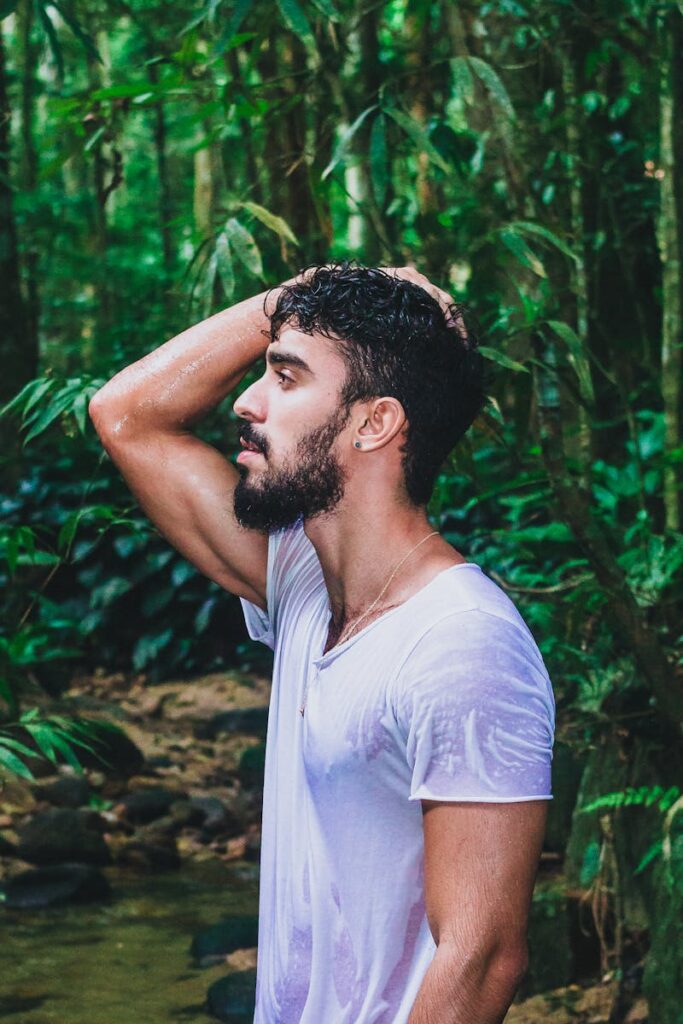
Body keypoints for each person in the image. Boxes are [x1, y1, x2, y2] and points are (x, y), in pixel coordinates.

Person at [90, 261, 555, 1024]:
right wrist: (302, 291)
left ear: (375, 423)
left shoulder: (461, 643)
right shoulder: (305, 584)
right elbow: (127, 414)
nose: (247, 399)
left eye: (286, 376)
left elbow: (479, 960)